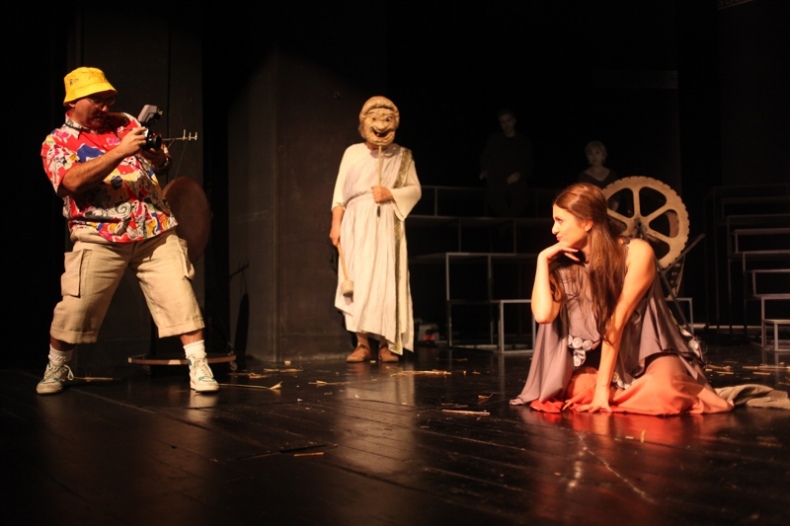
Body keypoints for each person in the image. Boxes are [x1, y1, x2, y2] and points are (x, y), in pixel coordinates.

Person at [38, 67, 218, 394]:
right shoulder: (58, 141)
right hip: (100, 234)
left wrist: (155, 154)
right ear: (73, 102)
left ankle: (199, 364)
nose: (105, 107)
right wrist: (120, 150)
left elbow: (163, 163)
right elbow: (70, 182)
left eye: (108, 100)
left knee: (179, 295)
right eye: (97, 100)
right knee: (77, 306)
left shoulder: (126, 123)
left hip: (153, 227)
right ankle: (56, 365)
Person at [510, 182, 733, 415]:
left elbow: (616, 321)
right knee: (579, 387)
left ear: (586, 222)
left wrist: (602, 390)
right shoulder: (563, 267)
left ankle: (620, 395)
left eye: (560, 221)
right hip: (597, 362)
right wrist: (542, 260)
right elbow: (543, 315)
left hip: (645, 353)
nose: (554, 230)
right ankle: (628, 395)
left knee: (665, 390)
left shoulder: (636, 252)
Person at [329, 96, 422, 363]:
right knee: (358, 279)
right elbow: (339, 194)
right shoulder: (352, 153)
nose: (381, 125)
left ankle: (385, 344)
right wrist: (336, 224)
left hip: (387, 224)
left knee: (385, 279)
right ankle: (362, 344)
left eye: (387, 119)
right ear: (364, 123)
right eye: (375, 119)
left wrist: (390, 193)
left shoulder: (402, 155)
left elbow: (415, 190)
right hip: (356, 223)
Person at [479, 108, 534, 217]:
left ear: (514, 121)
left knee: (518, 205)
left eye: (508, 120)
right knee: (494, 202)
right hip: (497, 182)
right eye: (503, 122)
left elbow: (529, 163)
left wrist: (519, 174)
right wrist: (484, 170)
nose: (506, 125)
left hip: (517, 185)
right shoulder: (495, 139)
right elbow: (485, 156)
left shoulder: (524, 141)